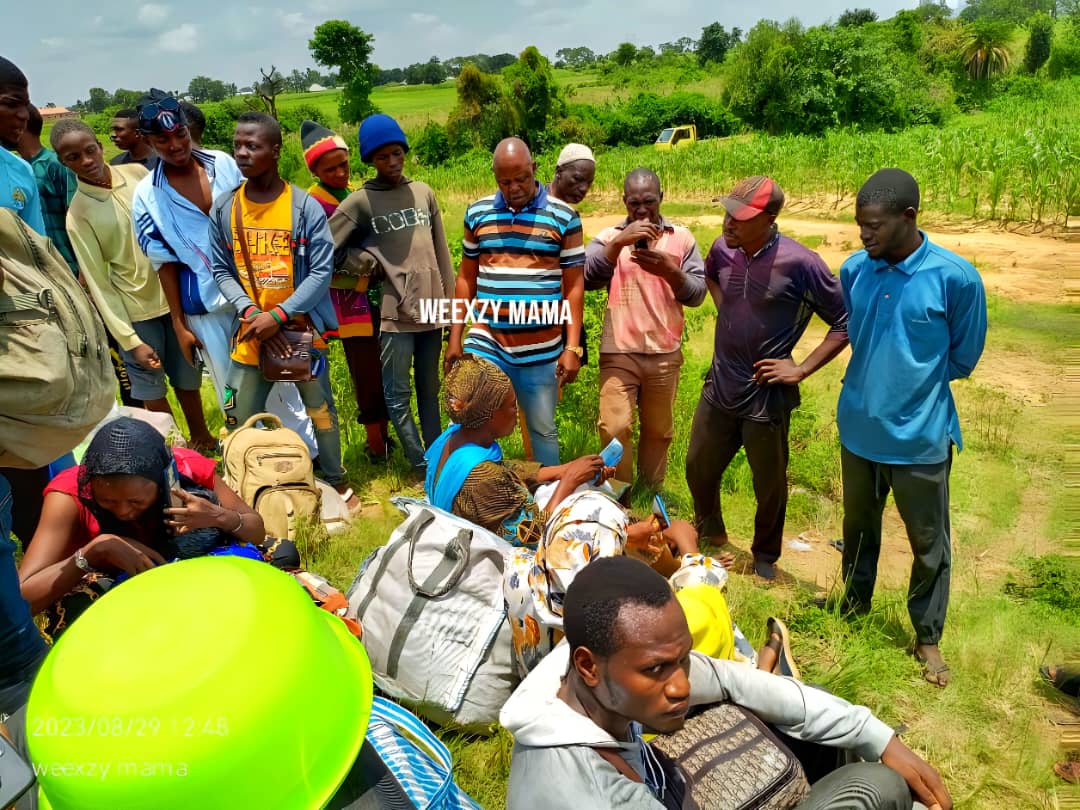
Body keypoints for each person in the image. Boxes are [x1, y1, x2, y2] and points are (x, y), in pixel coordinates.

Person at [501, 555, 953, 810]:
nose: (680, 684)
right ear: (588, 665)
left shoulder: (581, 676)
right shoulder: (583, 795)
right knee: (876, 790)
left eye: (682, 659)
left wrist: (877, 734)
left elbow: (737, 681)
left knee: (825, 734)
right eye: (657, 669)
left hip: (664, 788)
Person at [838, 168, 986, 688]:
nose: (865, 235)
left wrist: (909, 390)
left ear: (908, 217)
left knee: (928, 545)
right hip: (858, 430)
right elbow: (854, 332)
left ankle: (927, 636)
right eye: (860, 226)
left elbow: (963, 356)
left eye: (875, 225)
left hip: (921, 439)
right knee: (858, 530)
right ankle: (852, 605)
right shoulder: (856, 270)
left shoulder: (955, 278)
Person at [131, 90, 316, 454]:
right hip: (208, 308)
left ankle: (304, 458)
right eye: (162, 140)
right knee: (233, 391)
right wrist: (180, 326)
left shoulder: (224, 164)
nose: (174, 145)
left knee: (283, 379)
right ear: (149, 143)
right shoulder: (147, 195)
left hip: (259, 298)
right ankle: (255, 464)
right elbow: (164, 265)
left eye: (179, 134)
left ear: (187, 129)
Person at [686, 176, 849, 580]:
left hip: (765, 394)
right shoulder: (724, 250)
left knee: (769, 484)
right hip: (720, 384)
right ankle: (712, 531)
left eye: (740, 217)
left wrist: (801, 369)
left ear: (770, 218)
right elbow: (710, 275)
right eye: (726, 212)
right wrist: (726, 311)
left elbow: (845, 321)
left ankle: (764, 556)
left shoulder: (801, 263)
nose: (728, 223)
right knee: (697, 466)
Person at [209, 113, 355, 505]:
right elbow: (221, 269)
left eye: (252, 146)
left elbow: (321, 271)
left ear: (274, 151)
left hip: (301, 332)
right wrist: (251, 313)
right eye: (237, 145)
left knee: (320, 410)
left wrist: (278, 316)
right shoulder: (225, 208)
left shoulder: (303, 208)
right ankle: (242, 482)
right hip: (252, 333)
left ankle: (336, 479)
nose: (242, 153)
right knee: (236, 414)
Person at [51, 119, 215, 450]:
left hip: (174, 299)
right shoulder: (78, 215)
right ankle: (176, 451)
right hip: (135, 311)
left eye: (89, 150)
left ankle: (203, 438)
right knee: (150, 385)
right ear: (63, 162)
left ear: (99, 146)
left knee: (186, 376)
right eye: (73, 157)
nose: (86, 161)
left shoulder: (138, 176)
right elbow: (99, 284)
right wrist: (129, 339)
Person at [18, 417, 265, 630]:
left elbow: (257, 531)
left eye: (136, 501)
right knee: (76, 606)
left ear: (161, 485)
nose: (123, 511)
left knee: (281, 555)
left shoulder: (185, 468)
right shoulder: (69, 494)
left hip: (192, 572)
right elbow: (23, 599)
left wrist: (217, 516)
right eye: (108, 501)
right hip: (118, 596)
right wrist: (95, 551)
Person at [445, 137, 586, 467]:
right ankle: (463, 491)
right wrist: (454, 338)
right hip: (487, 340)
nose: (514, 187)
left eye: (521, 178)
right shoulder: (478, 213)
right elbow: (466, 277)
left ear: (534, 169)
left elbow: (574, 286)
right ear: (495, 177)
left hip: (541, 349)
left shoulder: (564, 217)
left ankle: (548, 504)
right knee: (465, 415)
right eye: (505, 181)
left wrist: (573, 347)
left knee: (542, 429)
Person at [329, 114, 454, 475]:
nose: (393, 162)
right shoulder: (361, 201)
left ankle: (438, 462)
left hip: (432, 311)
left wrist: (451, 310)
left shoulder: (423, 192)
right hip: (396, 314)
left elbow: (442, 252)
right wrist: (367, 262)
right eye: (383, 157)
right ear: (370, 160)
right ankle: (420, 464)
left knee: (430, 393)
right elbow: (325, 248)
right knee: (397, 396)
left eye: (397, 153)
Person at [585, 167, 706, 488]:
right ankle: (619, 494)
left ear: (661, 198)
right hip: (619, 353)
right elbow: (586, 275)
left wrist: (672, 272)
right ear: (624, 201)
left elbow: (697, 293)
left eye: (648, 201)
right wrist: (618, 245)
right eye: (634, 203)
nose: (641, 210)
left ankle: (650, 493)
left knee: (658, 431)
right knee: (614, 428)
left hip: (664, 354)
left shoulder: (680, 239)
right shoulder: (610, 237)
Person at [305, 118, 390, 461]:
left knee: (384, 369)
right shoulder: (313, 204)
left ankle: (386, 436)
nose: (340, 172)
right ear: (315, 171)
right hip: (346, 304)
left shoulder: (352, 191)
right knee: (366, 374)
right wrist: (364, 272)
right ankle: (376, 444)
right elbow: (318, 262)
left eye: (343, 164)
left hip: (374, 300)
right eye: (330, 169)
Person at [16, 104, 78, 274]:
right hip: (31, 269)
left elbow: (77, 219)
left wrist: (84, 276)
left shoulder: (56, 165)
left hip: (65, 265)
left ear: (22, 126)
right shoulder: (15, 169)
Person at [0, 57, 44, 236]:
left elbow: (37, 253)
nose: (25, 115)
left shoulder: (21, 171)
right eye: (11, 104)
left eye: (26, 106)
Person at [548, 142, 596, 207]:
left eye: (589, 182)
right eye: (577, 179)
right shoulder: (537, 205)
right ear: (559, 171)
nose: (584, 189)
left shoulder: (564, 212)